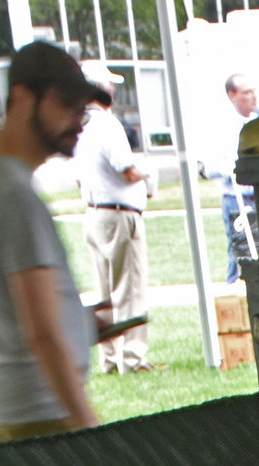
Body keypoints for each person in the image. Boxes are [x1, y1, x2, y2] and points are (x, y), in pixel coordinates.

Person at [0, 41, 100, 441]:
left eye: (82, 109)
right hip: (42, 413)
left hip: (2, 407)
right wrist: (89, 427)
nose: (78, 121)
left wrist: (79, 323)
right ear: (21, 99)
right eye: (66, 106)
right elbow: (41, 334)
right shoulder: (15, 196)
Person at [77, 69, 152, 371]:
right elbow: (127, 170)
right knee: (130, 289)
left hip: (94, 213)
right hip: (119, 216)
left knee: (105, 292)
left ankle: (109, 359)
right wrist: (148, 169)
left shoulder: (79, 127)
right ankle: (133, 358)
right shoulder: (108, 125)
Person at [208, 73, 259, 282]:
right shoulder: (223, 127)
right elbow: (212, 166)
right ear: (232, 95)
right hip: (236, 199)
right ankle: (234, 292)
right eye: (247, 92)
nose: (253, 96)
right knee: (240, 252)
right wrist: (238, 169)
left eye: (254, 91)